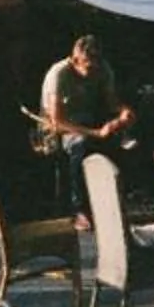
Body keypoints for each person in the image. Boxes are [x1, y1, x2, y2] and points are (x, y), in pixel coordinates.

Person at [38, 33, 136, 218]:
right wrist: (96, 133)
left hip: (89, 121)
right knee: (80, 144)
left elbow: (111, 101)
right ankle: (78, 208)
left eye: (97, 65)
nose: (93, 72)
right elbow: (57, 123)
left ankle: (115, 199)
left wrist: (124, 112)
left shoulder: (102, 69)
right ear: (75, 60)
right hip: (59, 128)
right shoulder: (59, 74)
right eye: (89, 67)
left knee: (121, 140)